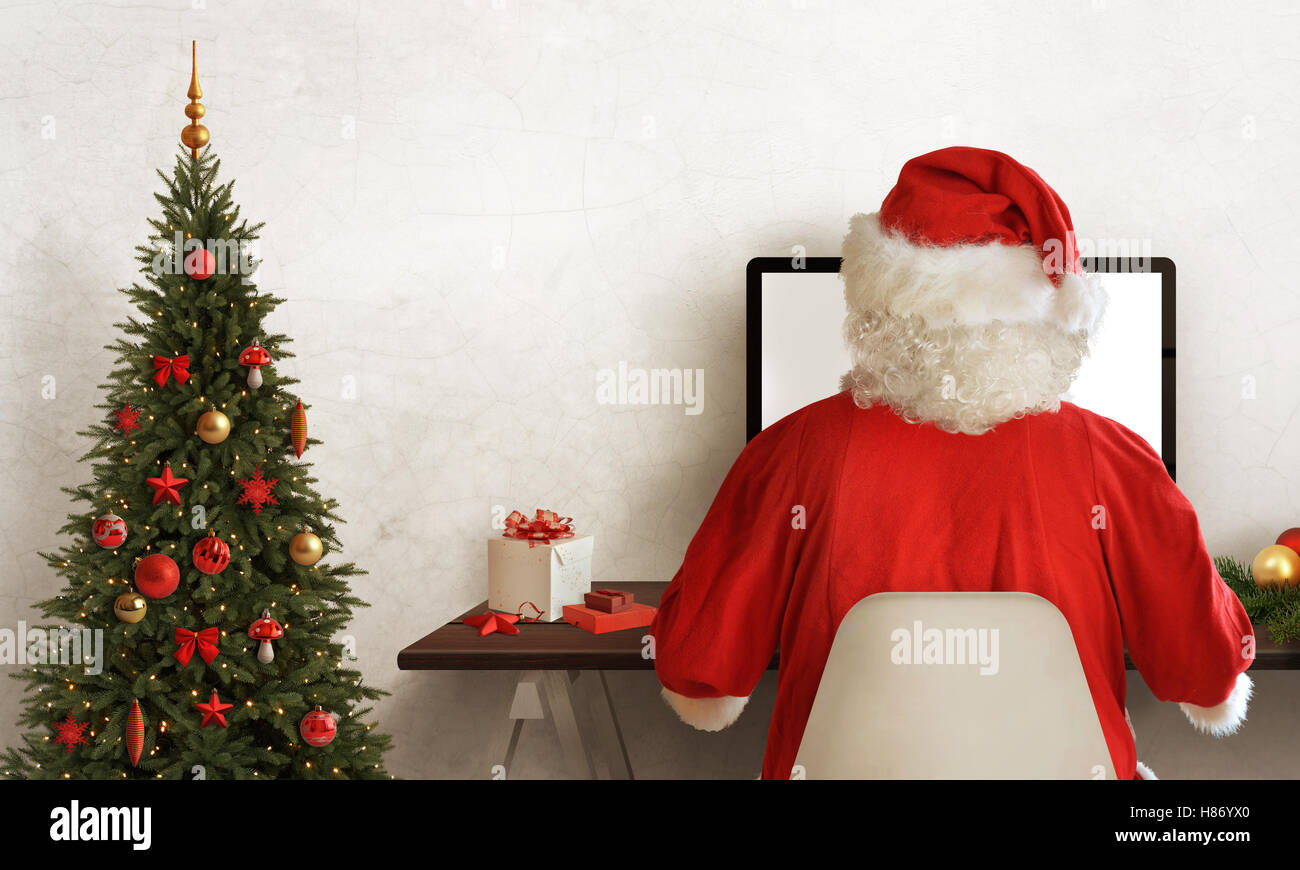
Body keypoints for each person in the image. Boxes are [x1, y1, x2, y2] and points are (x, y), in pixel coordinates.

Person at [650, 146, 1254, 780]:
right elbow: (1208, 669)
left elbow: (699, 671)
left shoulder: (793, 449)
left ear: (878, 307)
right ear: (1042, 313)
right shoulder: (1112, 457)